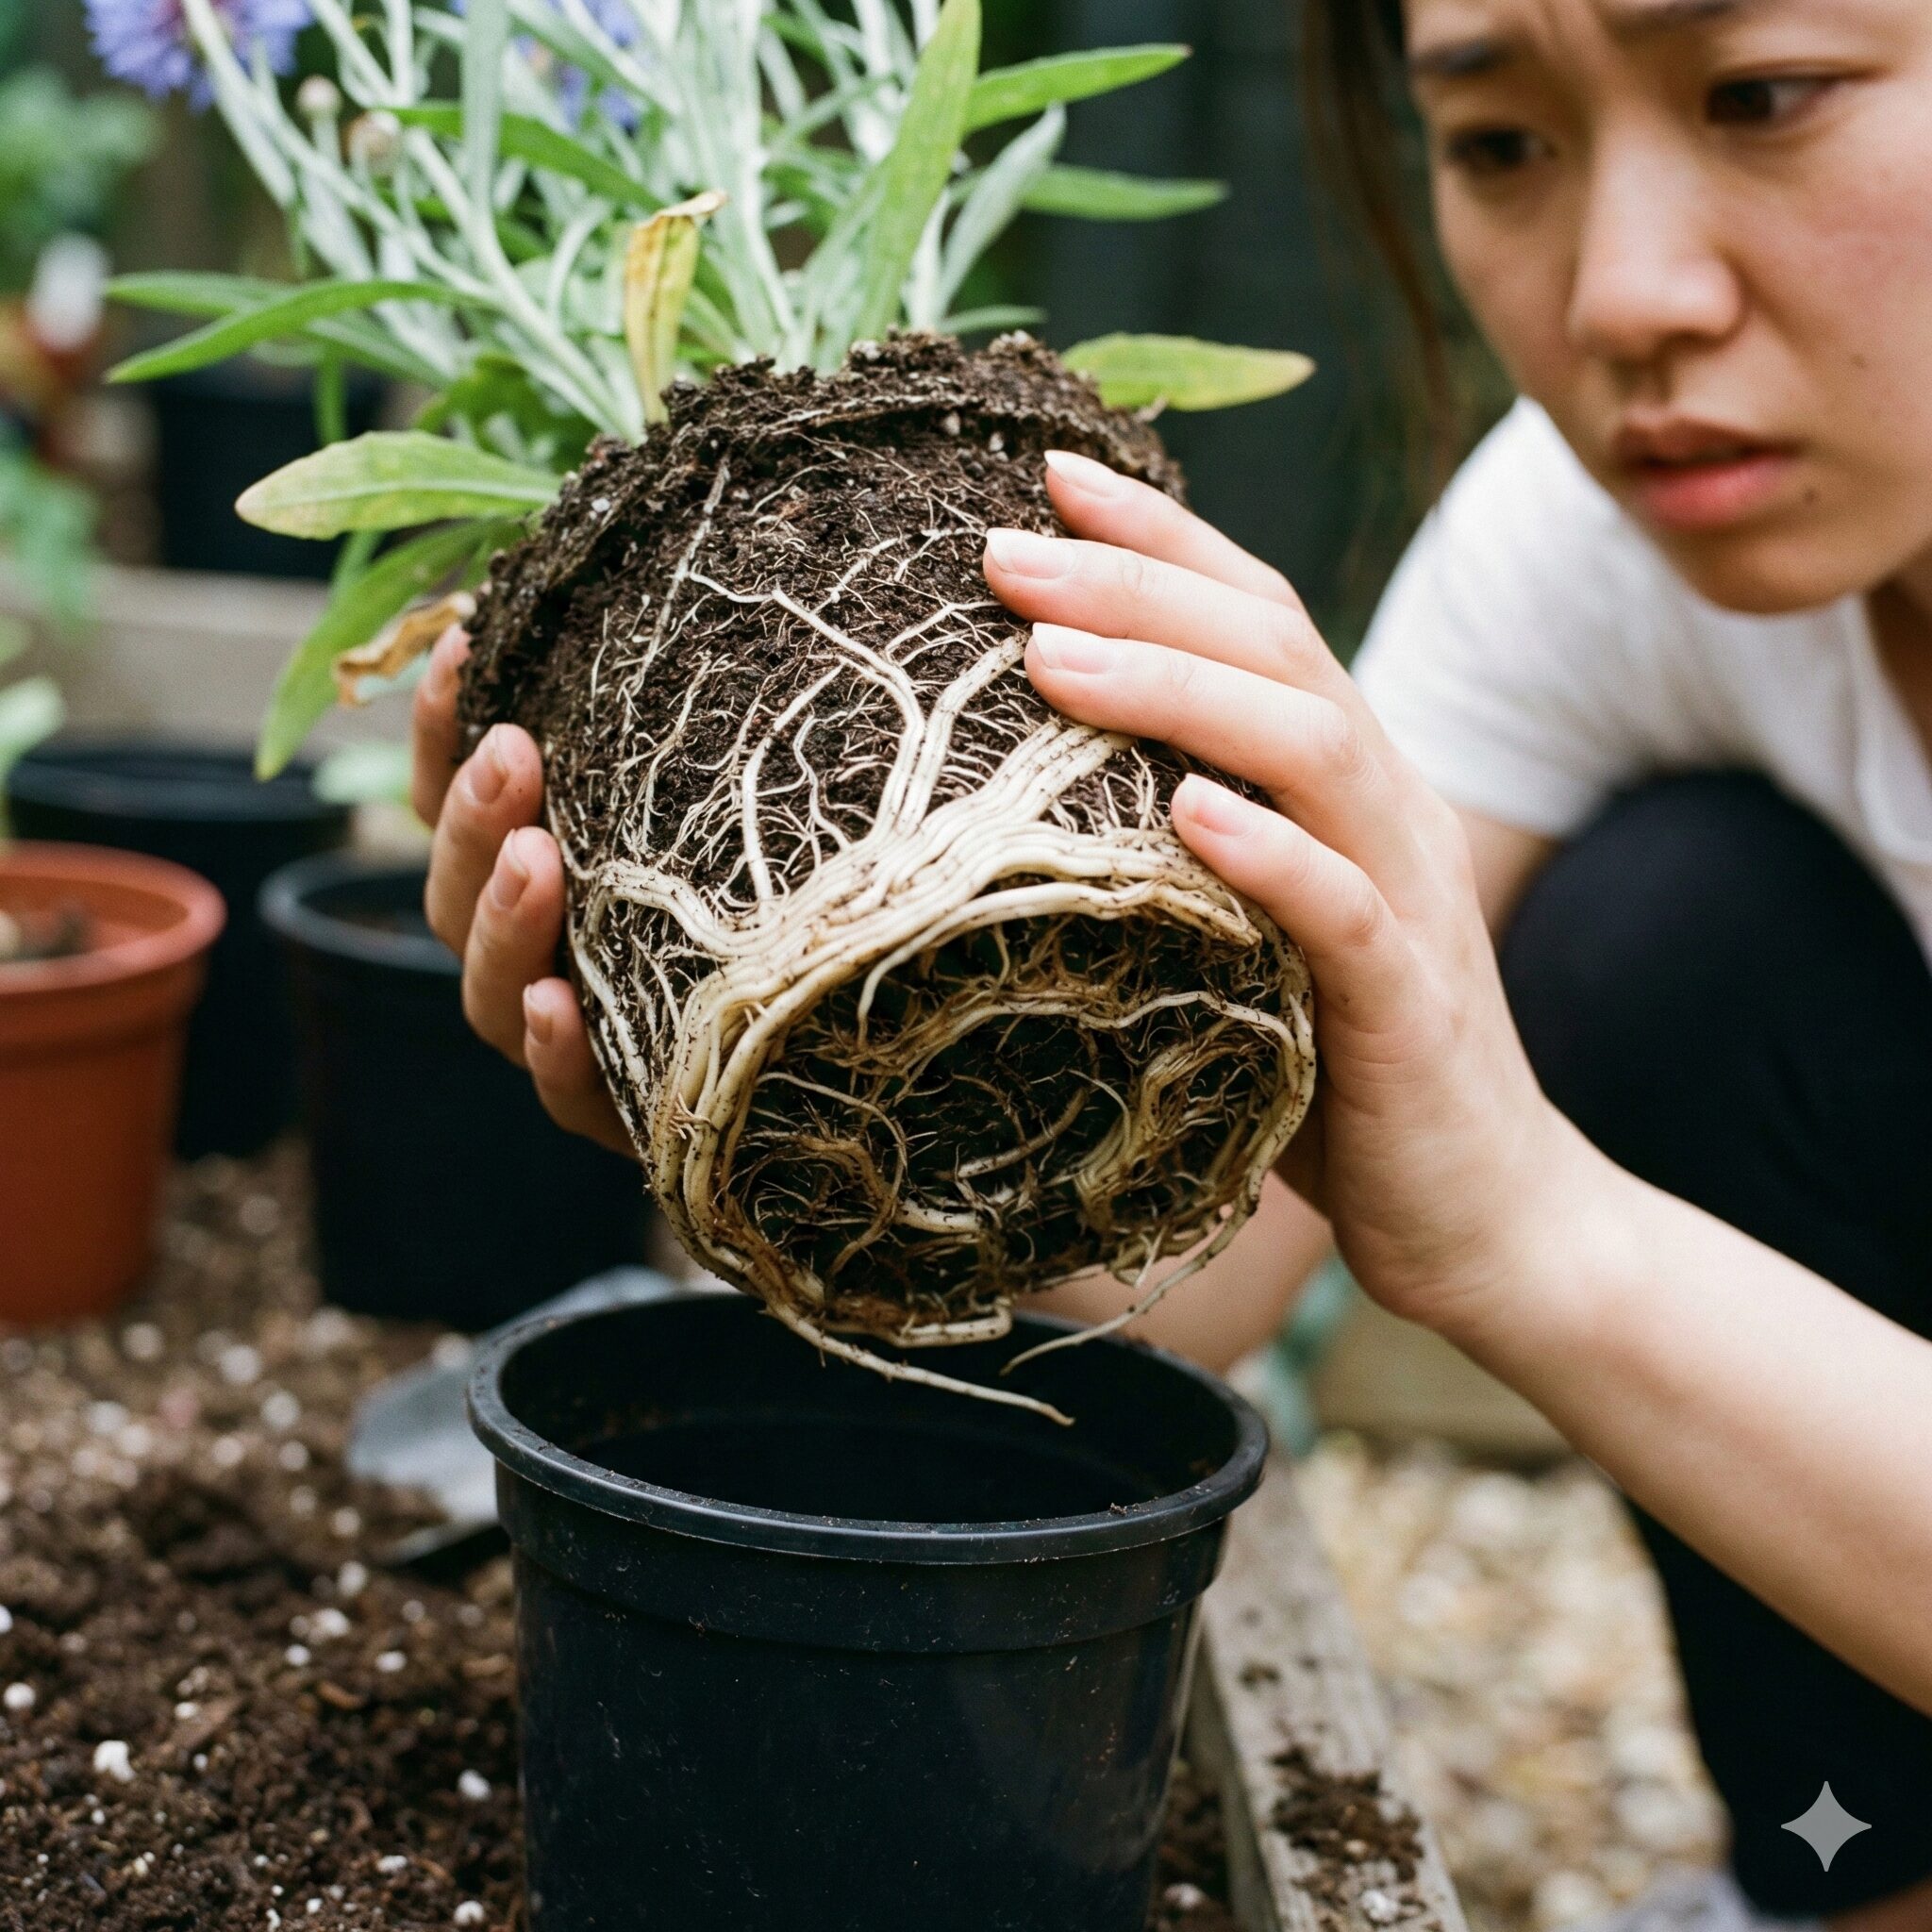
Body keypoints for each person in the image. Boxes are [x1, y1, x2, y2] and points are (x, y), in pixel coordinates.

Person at [408, 0, 1932, 1924]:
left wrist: (1540, 1232)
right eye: (1497, 144)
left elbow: (1515, 1221)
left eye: (1761, 96)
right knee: (1679, 940)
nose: (1623, 294)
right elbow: (1160, 1294)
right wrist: (776, 1067)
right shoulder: (1595, 550)